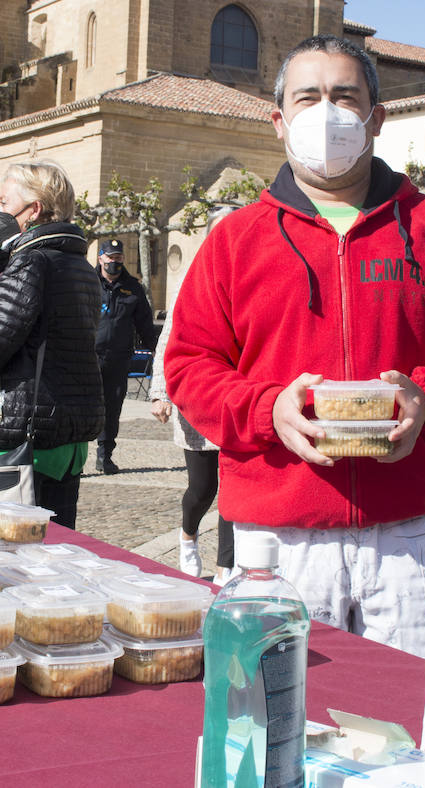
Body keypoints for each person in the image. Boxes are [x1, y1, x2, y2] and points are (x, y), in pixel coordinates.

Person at [164, 34, 425, 659]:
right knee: (277, 725)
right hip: (276, 542)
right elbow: (190, 365)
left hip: (412, 538)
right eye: (308, 98)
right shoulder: (235, 239)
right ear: (279, 121)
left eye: (344, 97)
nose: (326, 113)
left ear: (376, 117)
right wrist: (267, 410)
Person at [0, 161, 103, 528]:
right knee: (55, 549)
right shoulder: (80, 266)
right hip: (60, 441)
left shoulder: (30, 263)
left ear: (34, 209)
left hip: (19, 443)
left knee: (11, 559)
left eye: (5, 203)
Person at [149, 208, 236, 583]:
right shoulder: (191, 282)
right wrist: (160, 393)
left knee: (234, 492)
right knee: (202, 490)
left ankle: (225, 569)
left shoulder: (251, 275)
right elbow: (168, 341)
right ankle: (188, 536)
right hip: (198, 400)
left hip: (237, 402)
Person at [93, 238, 157, 474]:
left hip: (118, 358)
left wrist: (157, 351)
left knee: (112, 409)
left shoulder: (133, 287)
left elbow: (145, 325)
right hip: (88, 357)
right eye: (110, 257)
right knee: (81, 406)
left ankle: (105, 456)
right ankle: (75, 459)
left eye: (118, 258)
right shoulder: (88, 282)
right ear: (101, 258)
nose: (114, 262)